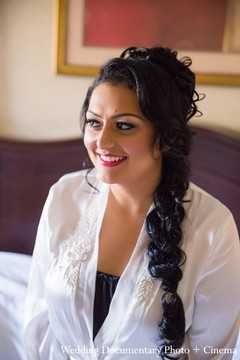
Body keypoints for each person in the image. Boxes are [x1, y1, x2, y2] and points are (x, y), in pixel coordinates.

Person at [24, 46, 240, 360]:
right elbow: (38, 322)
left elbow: (211, 353)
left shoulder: (213, 228)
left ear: (166, 138)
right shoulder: (64, 196)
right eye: (94, 122)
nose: (102, 142)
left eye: (124, 125)